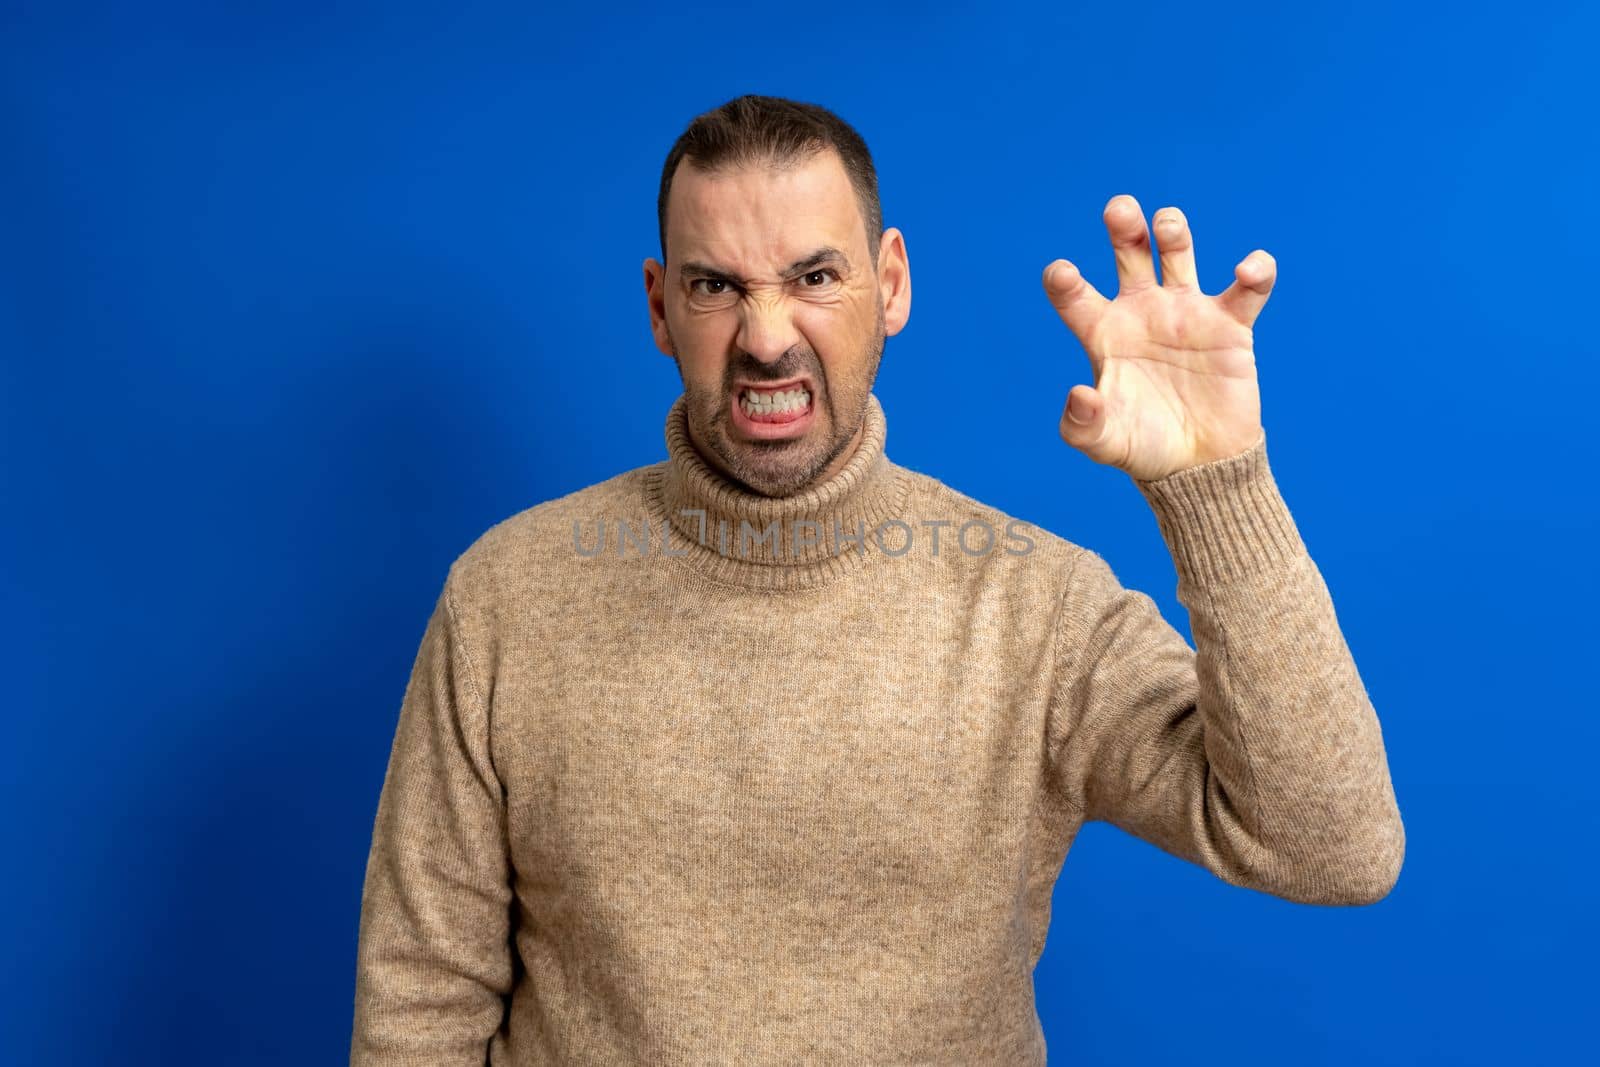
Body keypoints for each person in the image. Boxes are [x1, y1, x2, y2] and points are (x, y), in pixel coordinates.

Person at [348, 94, 1405, 1065]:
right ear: (661, 307)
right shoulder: (509, 596)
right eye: (718, 286)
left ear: (889, 283)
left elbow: (1330, 846)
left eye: (814, 277)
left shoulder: (1031, 604)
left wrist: (1218, 487)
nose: (766, 339)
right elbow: (421, 1005)